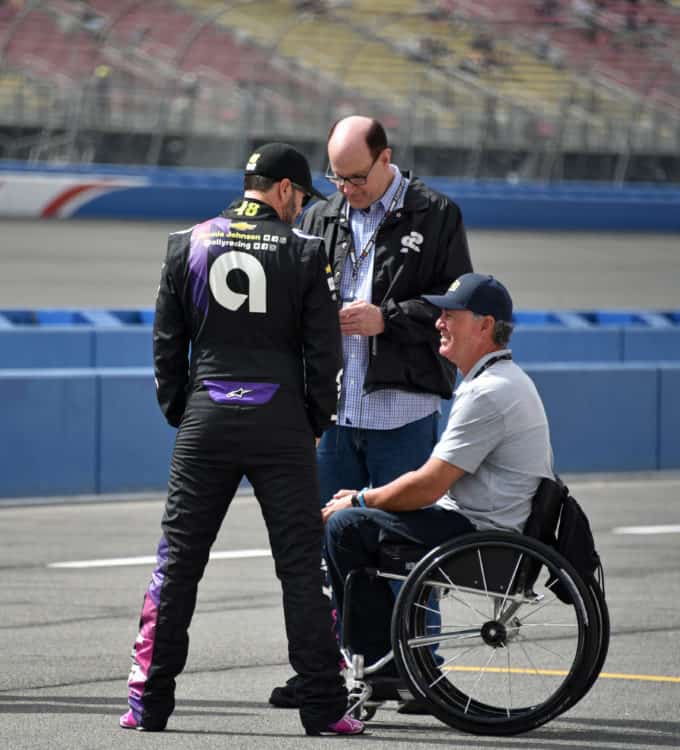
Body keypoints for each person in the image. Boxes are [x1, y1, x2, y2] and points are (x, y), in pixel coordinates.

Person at [119, 142, 363, 736]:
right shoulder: (305, 251)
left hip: (207, 415)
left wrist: (186, 412)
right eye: (301, 197)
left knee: (177, 564)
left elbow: (165, 346)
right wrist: (312, 422)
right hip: (280, 420)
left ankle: (146, 706)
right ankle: (325, 710)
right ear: (283, 189)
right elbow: (324, 354)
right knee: (302, 569)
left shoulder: (187, 242)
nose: (302, 208)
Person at [269, 114, 473, 709]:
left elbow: (454, 303)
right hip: (333, 413)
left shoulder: (436, 214)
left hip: (401, 410)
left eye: (356, 177)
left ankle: (417, 671)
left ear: (387, 159)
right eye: (336, 178)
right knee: (329, 551)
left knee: (409, 549)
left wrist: (390, 317)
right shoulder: (320, 214)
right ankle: (333, 671)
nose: (346, 190)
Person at [321, 272, 555, 702]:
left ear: (485, 326)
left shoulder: (489, 391)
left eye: (451, 315)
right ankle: (389, 662)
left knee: (346, 527)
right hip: (487, 525)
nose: (439, 323)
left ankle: (382, 665)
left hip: (484, 538)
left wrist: (358, 497)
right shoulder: (499, 381)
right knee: (363, 522)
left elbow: (428, 485)